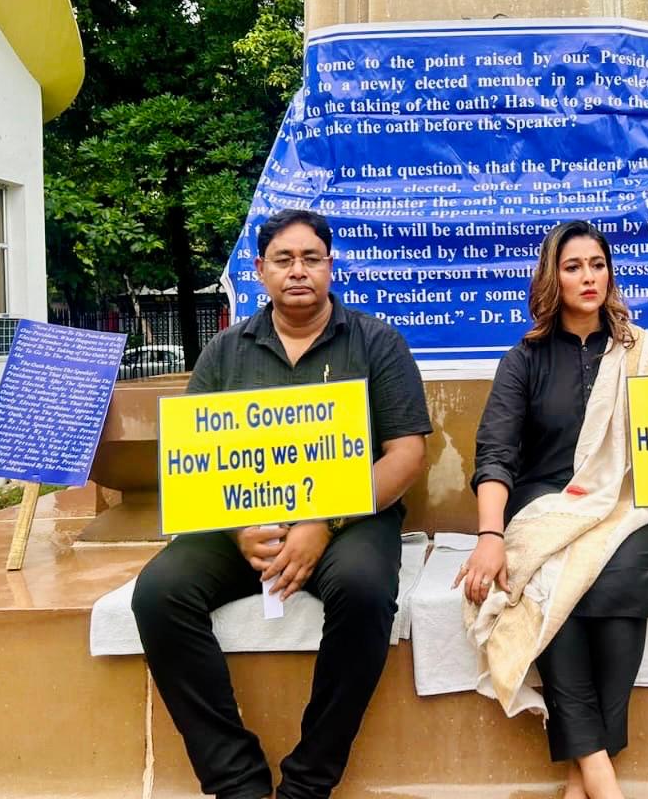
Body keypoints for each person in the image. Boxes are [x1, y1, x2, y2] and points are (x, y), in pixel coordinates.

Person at [132, 208, 431, 799]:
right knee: (159, 594)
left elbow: (405, 454)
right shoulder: (224, 352)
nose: (299, 271)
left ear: (330, 266)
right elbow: (196, 456)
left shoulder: (377, 342)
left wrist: (325, 518)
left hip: (348, 522)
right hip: (240, 523)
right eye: (284, 260)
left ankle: (308, 780)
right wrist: (240, 527)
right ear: (260, 269)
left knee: (367, 593)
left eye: (311, 259)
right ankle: (236, 780)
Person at [457, 220, 648, 799]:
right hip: (547, 507)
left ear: (610, 272)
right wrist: (490, 535)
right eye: (573, 267)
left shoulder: (646, 355)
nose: (587, 277)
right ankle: (600, 772)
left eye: (597, 264)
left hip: (627, 505)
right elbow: (494, 455)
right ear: (553, 278)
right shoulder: (525, 359)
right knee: (549, 582)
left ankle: (584, 774)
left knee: (618, 579)